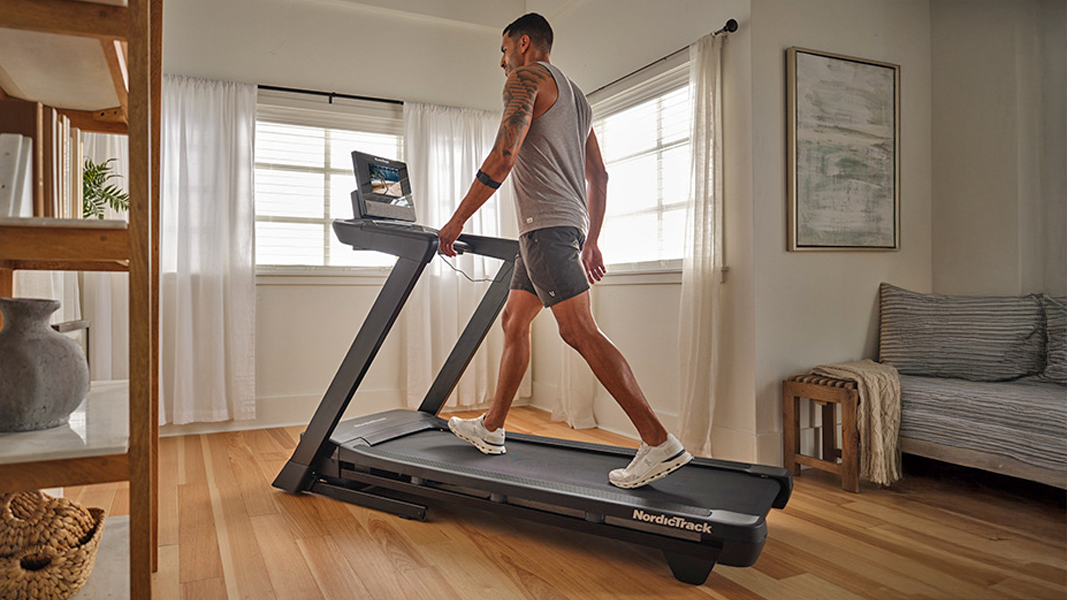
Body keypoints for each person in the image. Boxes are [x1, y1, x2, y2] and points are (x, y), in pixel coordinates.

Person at [437, 13, 691, 489]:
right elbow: (600, 175)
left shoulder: (525, 78)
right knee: (515, 322)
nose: (501, 60)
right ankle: (491, 429)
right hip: (562, 228)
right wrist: (590, 237)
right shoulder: (577, 97)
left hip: (546, 230)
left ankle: (658, 442)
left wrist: (457, 219)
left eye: (503, 48)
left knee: (579, 332)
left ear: (524, 43)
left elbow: (503, 156)